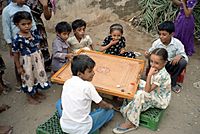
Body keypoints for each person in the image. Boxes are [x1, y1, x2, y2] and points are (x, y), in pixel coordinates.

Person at [113, 48, 171, 134]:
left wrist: (149, 75)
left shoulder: (162, 75)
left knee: (140, 94)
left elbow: (147, 91)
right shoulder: (157, 69)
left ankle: (131, 122)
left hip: (160, 99)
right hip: (153, 91)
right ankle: (126, 106)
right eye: (151, 61)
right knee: (136, 81)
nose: (153, 65)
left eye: (157, 63)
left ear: (165, 63)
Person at [58, 55, 114, 134]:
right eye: (90, 71)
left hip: (65, 126)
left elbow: (62, 106)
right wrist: (110, 106)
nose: (93, 73)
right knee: (110, 112)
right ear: (79, 74)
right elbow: (103, 105)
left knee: (59, 102)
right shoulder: (88, 86)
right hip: (82, 129)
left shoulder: (67, 82)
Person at [12, 11, 50, 104]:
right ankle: (29, 97)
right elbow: (15, 54)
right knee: (28, 78)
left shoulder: (33, 33)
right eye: (23, 24)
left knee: (36, 75)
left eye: (29, 23)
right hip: (26, 62)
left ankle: (36, 93)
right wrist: (19, 67)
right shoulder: (17, 39)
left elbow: (37, 44)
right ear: (17, 25)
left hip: (37, 60)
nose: (26, 26)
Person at [2, 0, 37, 92]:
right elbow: (6, 28)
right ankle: (20, 83)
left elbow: (32, 24)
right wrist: (10, 44)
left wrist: (34, 36)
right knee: (18, 62)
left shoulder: (26, 8)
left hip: (29, 39)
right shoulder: (7, 10)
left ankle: (32, 82)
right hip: (17, 42)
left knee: (30, 62)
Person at [145, 21, 188, 93]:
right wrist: (147, 55)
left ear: (172, 34)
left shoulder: (177, 43)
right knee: (152, 59)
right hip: (159, 65)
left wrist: (180, 56)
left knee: (183, 62)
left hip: (171, 64)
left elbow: (185, 57)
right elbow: (150, 53)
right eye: (160, 34)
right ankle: (151, 80)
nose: (161, 36)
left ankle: (173, 83)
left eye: (164, 34)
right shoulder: (157, 43)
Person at [26, 0, 55, 71]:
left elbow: (48, 17)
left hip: (38, 26)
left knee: (42, 49)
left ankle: (44, 72)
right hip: (24, 26)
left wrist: (45, 5)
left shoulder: (47, 1)